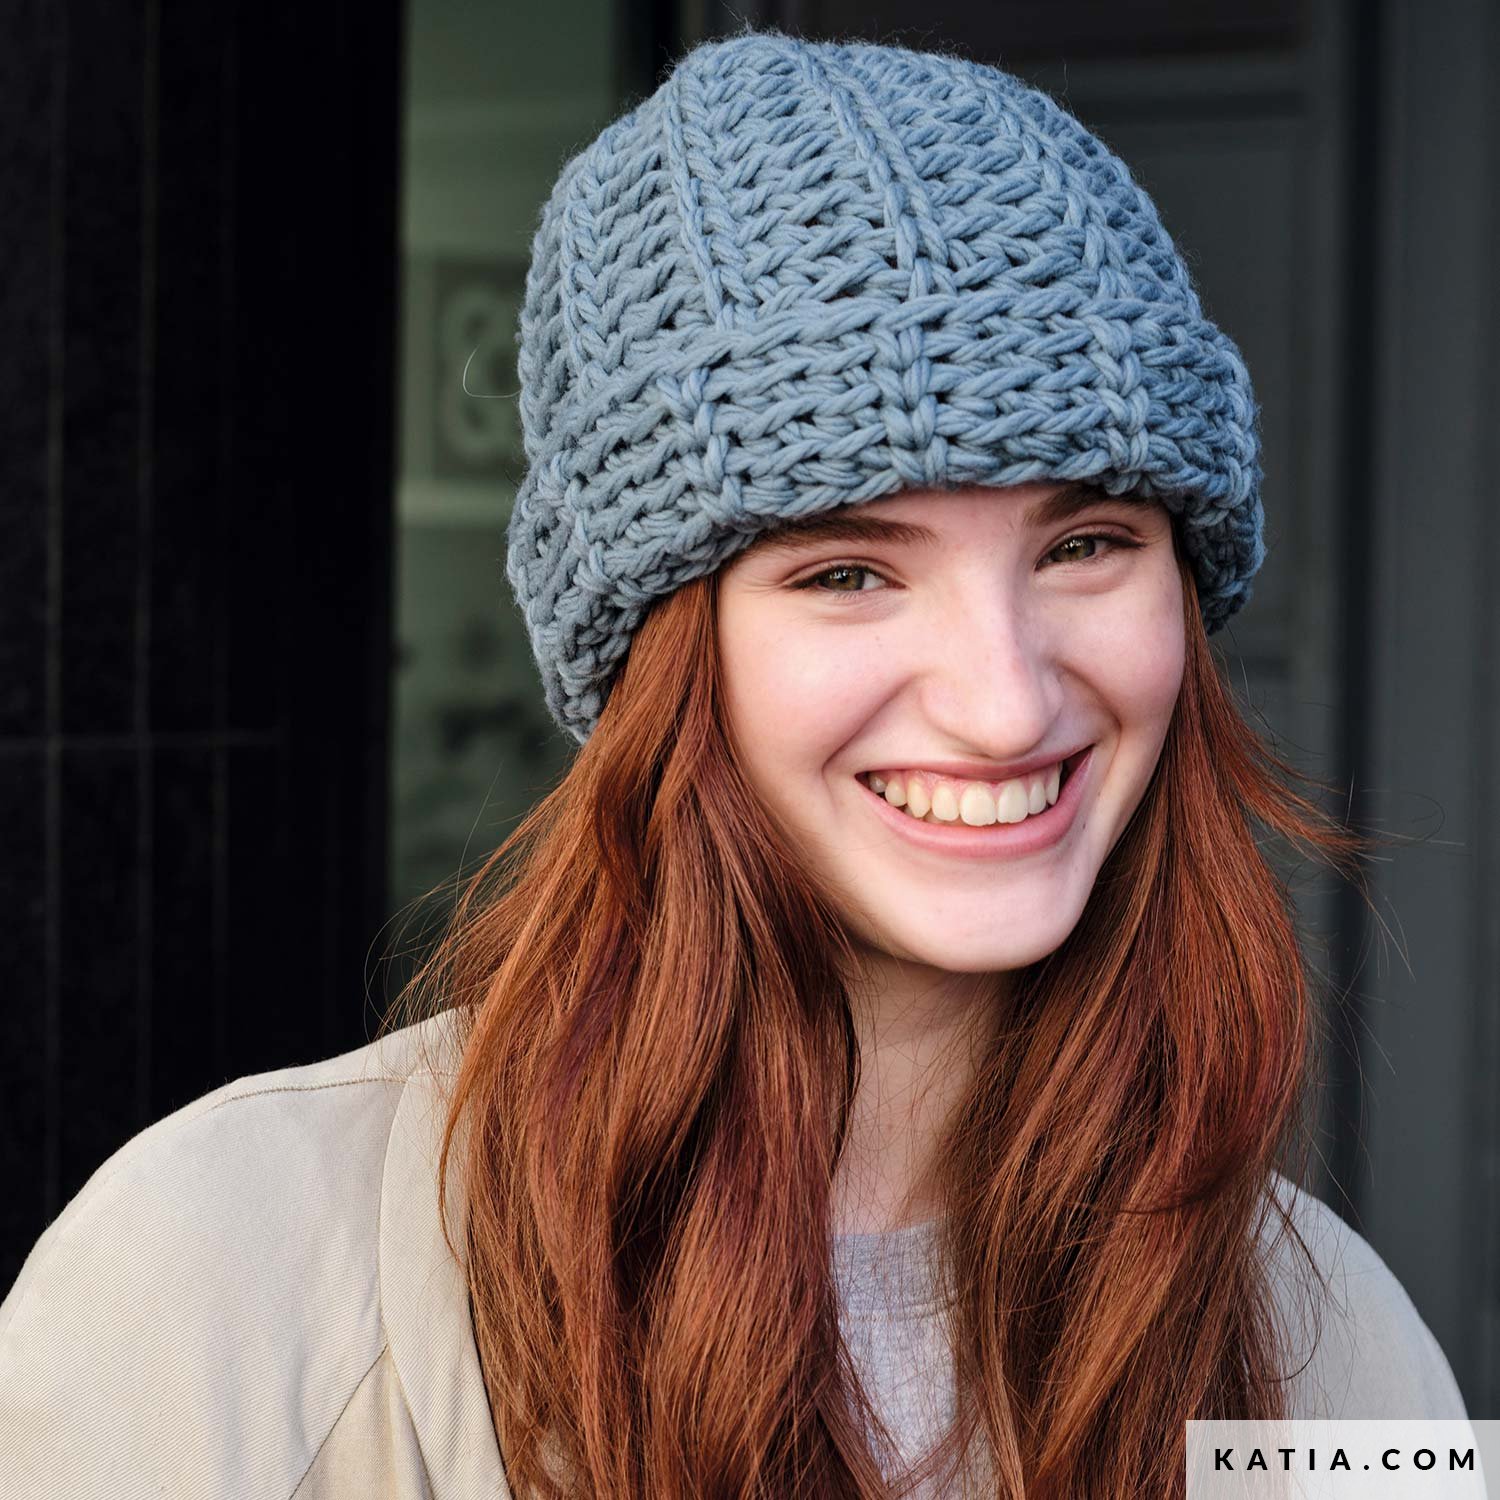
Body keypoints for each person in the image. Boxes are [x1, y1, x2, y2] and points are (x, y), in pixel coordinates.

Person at [0, 25, 1471, 1500]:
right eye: (848, 572)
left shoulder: (1340, 1354)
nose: (1006, 705)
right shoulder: (213, 1285)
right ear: (655, 660)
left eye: (1086, 545)